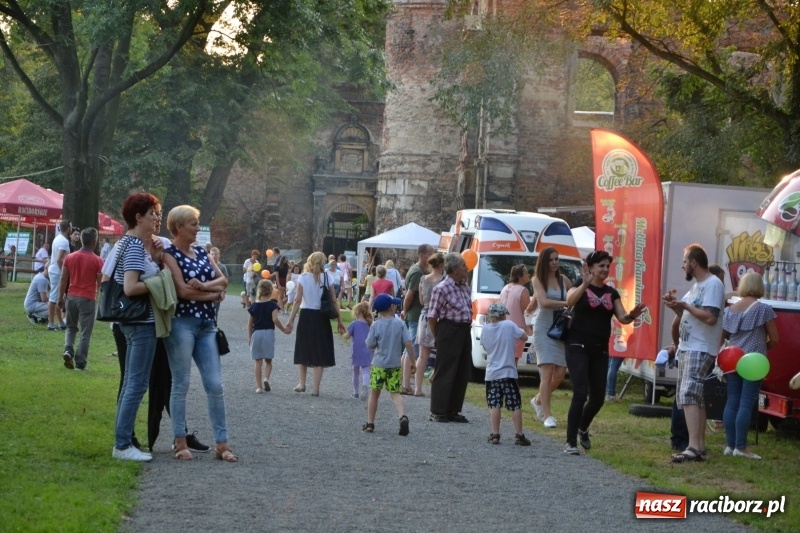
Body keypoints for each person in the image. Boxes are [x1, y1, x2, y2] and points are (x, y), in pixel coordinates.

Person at [162, 205, 236, 462]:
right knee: (181, 383)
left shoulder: (203, 253)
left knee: (215, 384)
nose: (197, 229)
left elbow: (223, 280)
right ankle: (179, 440)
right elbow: (182, 291)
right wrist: (212, 294)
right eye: (193, 224)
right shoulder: (169, 254)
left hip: (206, 326)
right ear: (179, 226)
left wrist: (205, 286)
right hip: (181, 323)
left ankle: (222, 443)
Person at [563, 250, 646, 455]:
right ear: (590, 267)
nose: (605, 269)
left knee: (598, 397)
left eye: (607, 266)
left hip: (599, 349)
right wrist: (584, 283)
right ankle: (570, 441)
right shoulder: (578, 285)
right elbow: (569, 302)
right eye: (601, 265)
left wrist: (632, 315)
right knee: (581, 392)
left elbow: (622, 318)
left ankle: (583, 428)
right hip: (577, 345)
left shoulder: (611, 293)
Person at [112, 193, 164, 462]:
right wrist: (160, 282)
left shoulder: (129, 244)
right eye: (152, 213)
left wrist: (154, 260)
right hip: (141, 323)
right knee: (136, 384)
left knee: (132, 383)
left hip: (132, 323)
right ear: (138, 217)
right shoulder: (133, 246)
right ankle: (122, 445)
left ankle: (123, 441)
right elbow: (130, 287)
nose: (157, 218)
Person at [664, 243, 724, 463]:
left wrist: (686, 307)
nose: (683, 266)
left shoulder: (712, 284)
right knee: (693, 397)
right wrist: (675, 306)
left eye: (684, 262)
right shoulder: (698, 286)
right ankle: (698, 447)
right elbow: (689, 311)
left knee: (689, 393)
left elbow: (710, 317)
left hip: (701, 347)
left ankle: (692, 447)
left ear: (694, 263)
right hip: (689, 347)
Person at [721, 272, 778, 460]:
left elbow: (725, 336)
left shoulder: (730, 310)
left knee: (732, 401)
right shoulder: (763, 309)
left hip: (732, 359)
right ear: (759, 287)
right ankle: (741, 447)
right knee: (746, 403)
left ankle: (730, 445)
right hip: (753, 362)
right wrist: (763, 346)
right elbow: (775, 339)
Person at [286, 251, 346, 395]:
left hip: (306, 315)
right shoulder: (327, 276)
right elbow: (333, 300)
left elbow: (297, 300)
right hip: (322, 317)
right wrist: (340, 320)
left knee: (303, 348)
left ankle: (302, 383)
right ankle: (316, 388)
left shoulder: (304, 277)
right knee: (319, 351)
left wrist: (291, 320)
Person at [426, 252, 473, 423]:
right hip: (448, 330)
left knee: (462, 371)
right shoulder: (442, 288)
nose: (466, 268)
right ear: (453, 269)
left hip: (463, 330)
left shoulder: (464, 287)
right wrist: (437, 335)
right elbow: (432, 316)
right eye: (463, 266)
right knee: (445, 370)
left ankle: (453, 409)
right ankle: (438, 410)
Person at [530, 248, 572, 428]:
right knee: (546, 372)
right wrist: (566, 303)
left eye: (557, 259)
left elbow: (576, 295)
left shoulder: (564, 280)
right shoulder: (537, 280)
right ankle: (547, 415)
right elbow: (544, 302)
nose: (555, 263)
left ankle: (538, 400)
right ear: (544, 262)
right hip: (543, 328)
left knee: (560, 373)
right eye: (551, 260)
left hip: (560, 329)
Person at [480, 302, 532, 446]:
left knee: (495, 404)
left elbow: (484, 346)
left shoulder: (485, 329)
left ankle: (495, 434)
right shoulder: (509, 325)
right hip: (508, 372)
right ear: (503, 315)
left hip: (492, 373)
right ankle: (519, 435)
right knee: (515, 404)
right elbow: (524, 337)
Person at [363, 294, 412, 436]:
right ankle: (402, 416)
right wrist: (413, 362)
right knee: (395, 393)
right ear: (391, 307)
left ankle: (370, 423)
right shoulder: (400, 324)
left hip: (378, 365)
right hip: (394, 365)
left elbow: (370, 344)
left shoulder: (376, 325)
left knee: (374, 394)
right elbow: (408, 343)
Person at [57, 227, 104, 371]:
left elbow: (63, 279)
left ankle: (68, 350)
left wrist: (60, 297)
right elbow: (100, 283)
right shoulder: (98, 261)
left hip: (71, 296)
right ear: (94, 242)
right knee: (85, 333)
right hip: (88, 298)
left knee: (71, 328)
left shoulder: (70, 258)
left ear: (82, 240)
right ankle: (81, 362)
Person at [401, 244, 435, 395]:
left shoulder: (418, 271)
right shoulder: (417, 272)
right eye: (430, 254)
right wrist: (405, 310)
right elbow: (409, 296)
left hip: (413, 315)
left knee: (407, 350)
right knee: (412, 350)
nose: (432, 258)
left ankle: (405, 382)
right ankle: (406, 384)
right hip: (415, 315)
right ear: (422, 255)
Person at [248, 279, 290, 393]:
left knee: (258, 361)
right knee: (268, 361)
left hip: (256, 333)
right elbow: (275, 319)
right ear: (271, 290)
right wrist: (284, 329)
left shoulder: (254, 306)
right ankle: (266, 378)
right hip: (268, 333)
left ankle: (259, 387)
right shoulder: (273, 305)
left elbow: (250, 323)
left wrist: (249, 337)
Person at [416, 252, 445, 392]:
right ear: (441, 265)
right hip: (438, 317)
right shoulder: (443, 280)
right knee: (440, 353)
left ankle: (417, 387)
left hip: (424, 316)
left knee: (422, 355)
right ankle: (436, 383)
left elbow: (421, 301)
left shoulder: (423, 279)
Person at [500, 264, 532, 364]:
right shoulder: (523, 290)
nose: (529, 275)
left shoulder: (505, 288)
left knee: (505, 358)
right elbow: (527, 312)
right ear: (520, 276)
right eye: (526, 272)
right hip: (518, 330)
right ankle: (510, 378)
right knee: (514, 361)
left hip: (503, 328)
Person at [344, 302, 374, 399]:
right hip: (367, 350)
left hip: (356, 351)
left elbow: (347, 336)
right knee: (366, 371)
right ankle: (365, 386)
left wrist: (342, 333)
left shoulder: (354, 324)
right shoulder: (370, 325)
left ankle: (356, 392)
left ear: (356, 312)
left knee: (355, 372)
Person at [47, 220, 72, 331]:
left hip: (53, 269)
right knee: (54, 297)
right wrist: (63, 271)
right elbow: (59, 258)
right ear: (67, 228)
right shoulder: (64, 241)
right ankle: (51, 323)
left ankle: (61, 322)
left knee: (57, 296)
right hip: (57, 271)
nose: (71, 228)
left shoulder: (57, 238)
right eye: (70, 227)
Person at [209, 246, 229, 318]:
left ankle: (214, 327)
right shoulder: (207, 265)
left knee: (215, 313)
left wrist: (223, 292)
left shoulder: (222, 267)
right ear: (210, 255)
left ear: (219, 255)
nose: (214, 256)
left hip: (217, 292)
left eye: (216, 254)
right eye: (212, 254)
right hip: (208, 291)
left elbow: (225, 281)